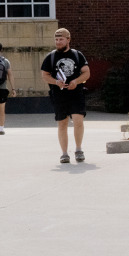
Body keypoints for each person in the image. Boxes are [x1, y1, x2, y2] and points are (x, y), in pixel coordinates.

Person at [40, 28, 90, 164]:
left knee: (78, 121)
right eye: (56, 39)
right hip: (59, 94)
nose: (58, 42)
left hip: (76, 93)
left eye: (61, 39)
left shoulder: (77, 55)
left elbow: (86, 72)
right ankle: (64, 153)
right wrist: (56, 82)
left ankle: (79, 149)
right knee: (62, 123)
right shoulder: (50, 57)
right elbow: (44, 75)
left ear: (68, 39)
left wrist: (76, 81)